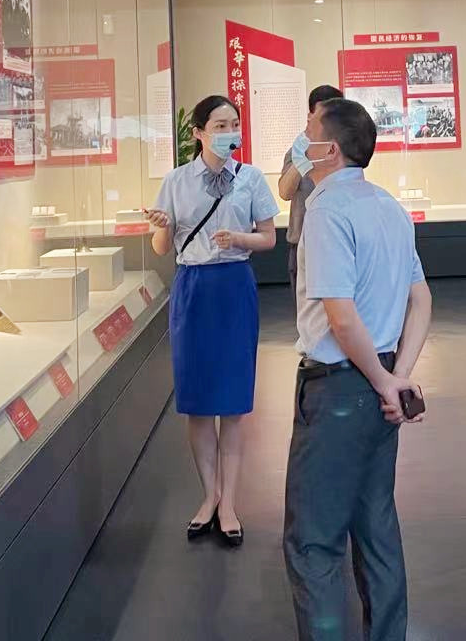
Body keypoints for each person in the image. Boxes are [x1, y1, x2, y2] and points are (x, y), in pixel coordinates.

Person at [284, 97, 432, 641]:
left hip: (338, 390)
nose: (301, 141)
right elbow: (422, 298)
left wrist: (382, 379)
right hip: (380, 383)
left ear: (329, 149)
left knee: (314, 539)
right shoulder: (387, 206)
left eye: (308, 131)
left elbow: (341, 316)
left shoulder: (326, 211)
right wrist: (397, 377)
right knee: (377, 528)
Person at [148, 95, 277, 548]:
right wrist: (163, 224)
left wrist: (239, 238)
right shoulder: (177, 180)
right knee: (199, 402)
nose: (229, 132)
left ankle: (229, 504)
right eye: (220, 125)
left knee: (233, 404)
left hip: (234, 288)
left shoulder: (251, 178)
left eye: (234, 124)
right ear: (198, 132)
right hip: (193, 289)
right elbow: (161, 247)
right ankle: (209, 495)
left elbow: (268, 237)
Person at [278, 84, 345, 289]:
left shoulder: (345, 150)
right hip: (302, 242)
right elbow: (285, 192)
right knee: (305, 307)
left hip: (338, 241)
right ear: (310, 116)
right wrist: (302, 159)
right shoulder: (297, 150)